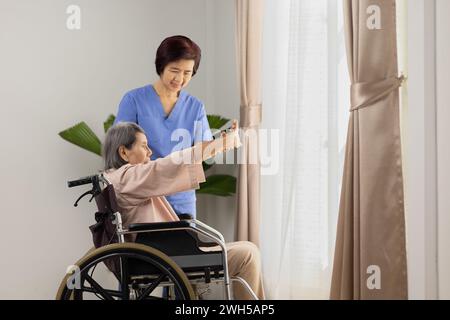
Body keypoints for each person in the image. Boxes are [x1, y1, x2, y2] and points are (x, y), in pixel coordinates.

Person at [102, 122, 265, 300]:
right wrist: (217, 145)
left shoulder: (118, 179)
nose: (150, 152)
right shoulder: (127, 177)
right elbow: (168, 165)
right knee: (248, 254)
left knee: (248, 250)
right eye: (143, 146)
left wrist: (216, 143)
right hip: (163, 256)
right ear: (123, 152)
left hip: (159, 253)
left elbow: (165, 168)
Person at [114, 35, 217, 219]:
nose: (180, 78)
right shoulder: (134, 101)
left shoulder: (195, 107)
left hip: (182, 200)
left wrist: (225, 140)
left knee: (184, 247)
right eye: (175, 70)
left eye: (187, 72)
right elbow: (119, 152)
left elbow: (203, 152)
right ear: (161, 66)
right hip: (145, 200)